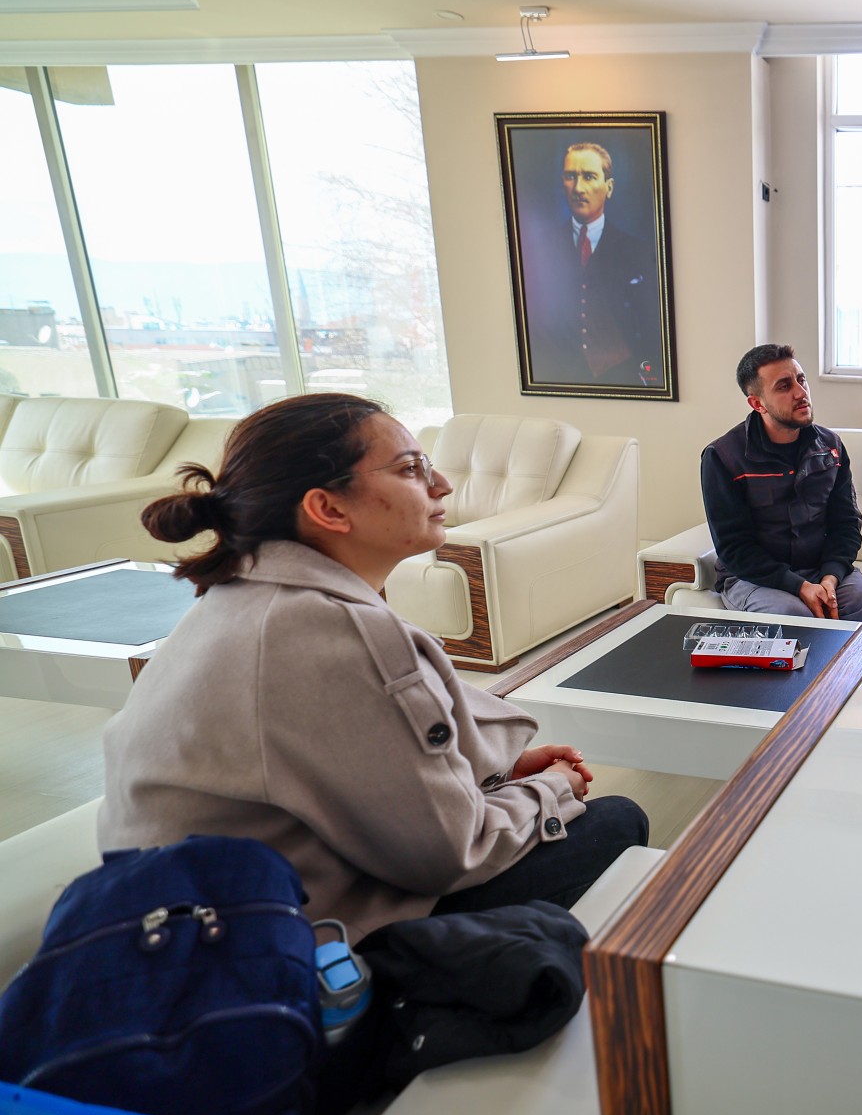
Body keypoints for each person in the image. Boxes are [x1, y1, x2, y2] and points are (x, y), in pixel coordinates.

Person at [98, 393, 650, 943]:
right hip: (269, 948)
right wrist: (552, 788)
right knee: (615, 821)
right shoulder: (332, 634)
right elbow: (446, 855)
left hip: (180, 911)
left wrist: (500, 773)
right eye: (411, 470)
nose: (442, 486)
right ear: (328, 509)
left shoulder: (244, 597)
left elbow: (354, 765)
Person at [699, 344, 862, 620]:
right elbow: (734, 548)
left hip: (820, 571)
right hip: (755, 578)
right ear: (757, 404)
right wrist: (799, 586)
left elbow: (846, 525)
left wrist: (830, 578)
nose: (801, 393)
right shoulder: (723, 457)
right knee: (793, 615)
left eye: (801, 380)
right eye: (784, 386)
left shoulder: (831, 447)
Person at [519, 142, 661, 388]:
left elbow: (649, 326)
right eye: (570, 177)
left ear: (609, 187)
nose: (578, 188)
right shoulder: (539, 248)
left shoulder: (638, 251)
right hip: (560, 379)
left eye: (589, 176)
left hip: (622, 376)